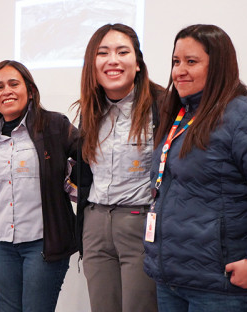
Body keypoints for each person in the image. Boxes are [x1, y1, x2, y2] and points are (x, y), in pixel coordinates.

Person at [143, 24, 247, 312]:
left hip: (222, 287)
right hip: (172, 280)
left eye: (191, 62)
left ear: (218, 66)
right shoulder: (178, 117)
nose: (179, 70)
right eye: (176, 62)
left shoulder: (246, 119)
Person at [74, 23, 164, 312]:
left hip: (140, 222)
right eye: (103, 53)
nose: (112, 60)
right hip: (95, 223)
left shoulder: (162, 105)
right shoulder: (90, 111)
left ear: (137, 63)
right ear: (93, 64)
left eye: (122, 51)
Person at [0, 60, 79, 312]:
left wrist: (72, 184)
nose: (7, 91)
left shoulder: (54, 125)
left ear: (30, 90)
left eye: (14, 84)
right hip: (0, 244)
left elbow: (91, 155)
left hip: (42, 244)